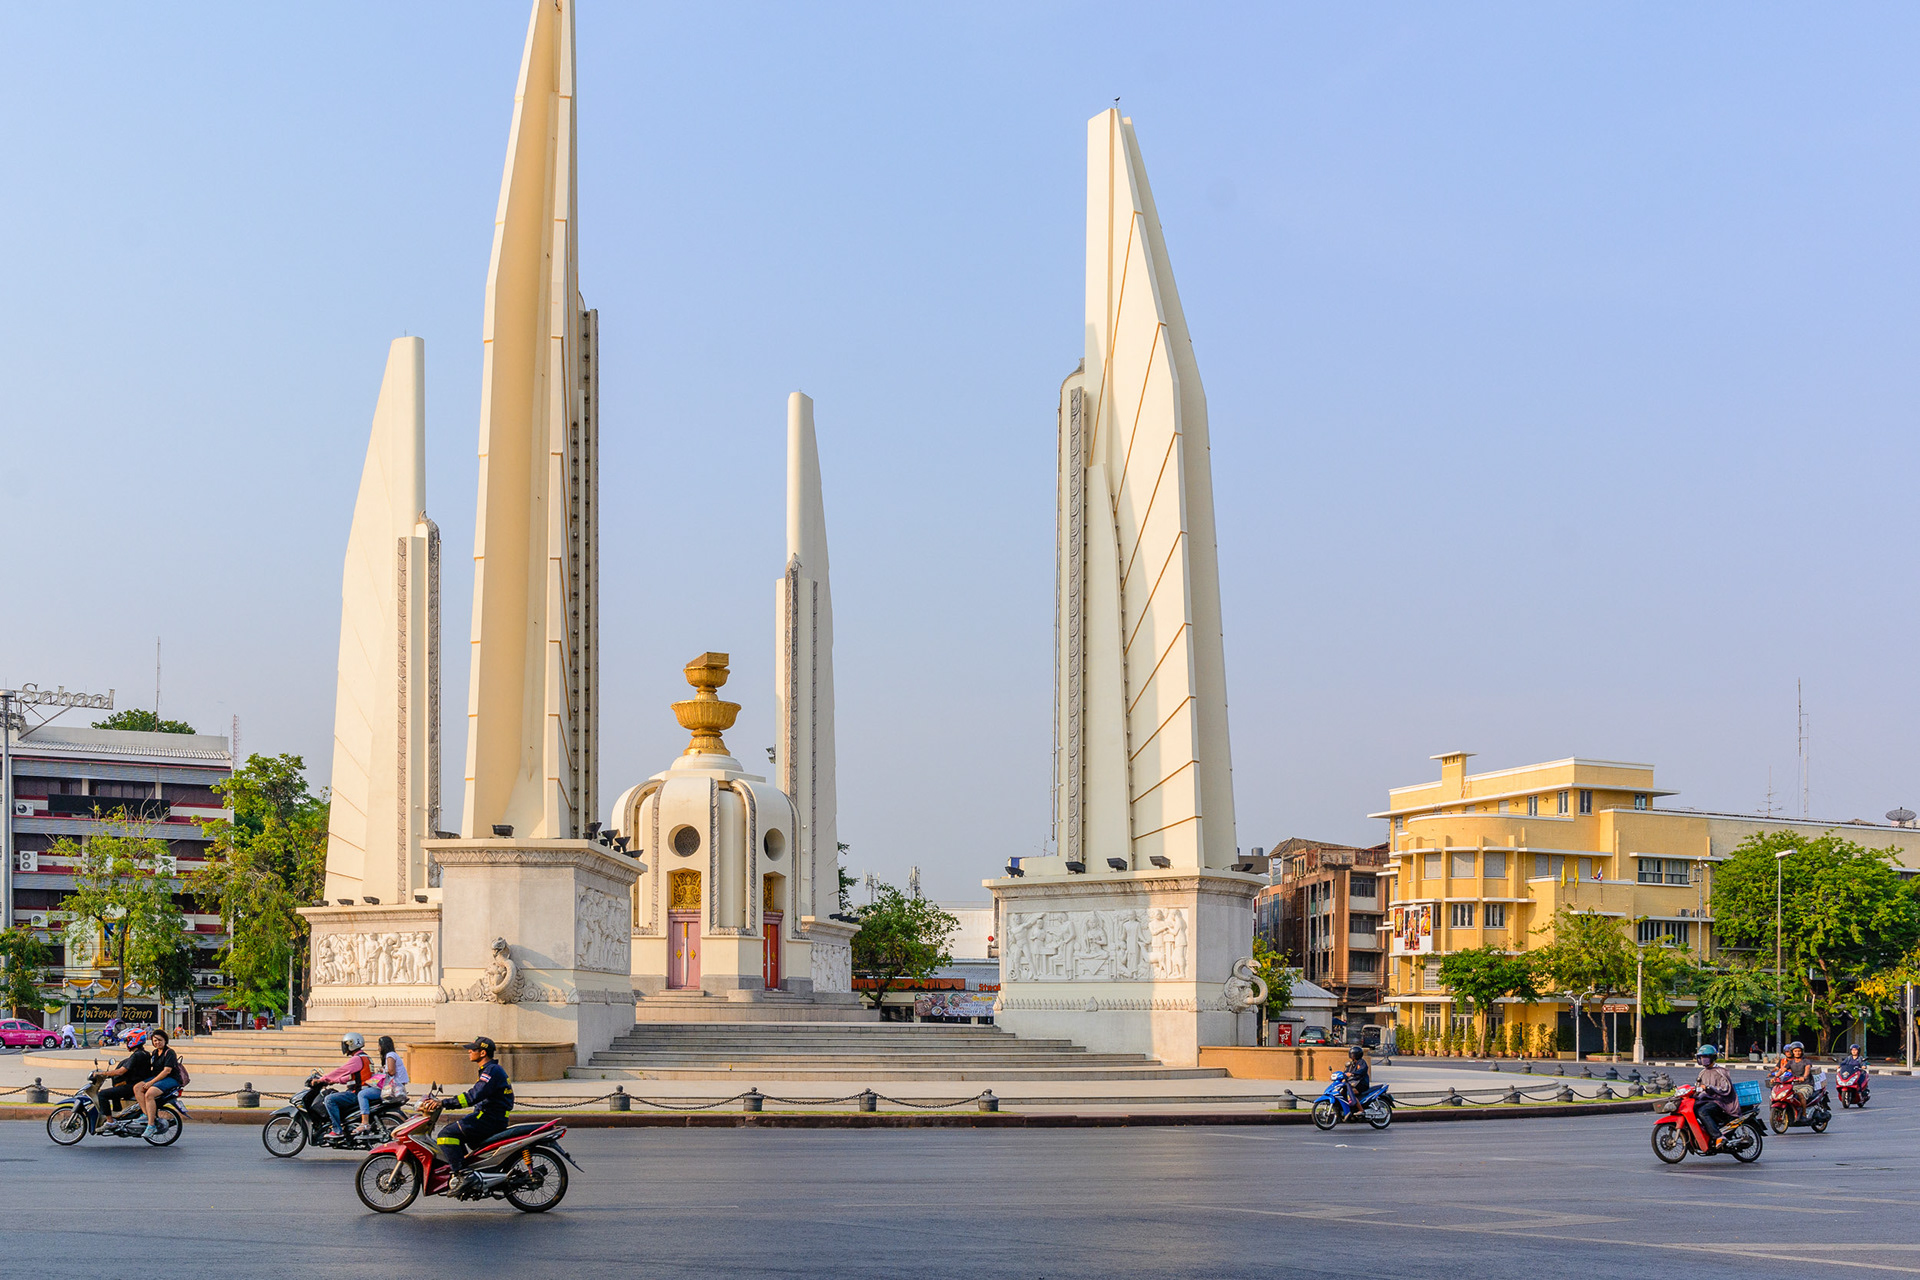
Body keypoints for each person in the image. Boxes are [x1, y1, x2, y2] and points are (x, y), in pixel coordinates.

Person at [427, 1036, 514, 1193]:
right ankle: (467, 1170)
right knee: (456, 1135)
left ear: (482, 1053)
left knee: (446, 1134)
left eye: (472, 1049)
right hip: (489, 1118)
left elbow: (473, 1096)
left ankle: (464, 1175)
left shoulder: (491, 1071)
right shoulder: (490, 1070)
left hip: (488, 1120)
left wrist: (444, 1103)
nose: (469, 1051)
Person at [318, 1033, 373, 1139]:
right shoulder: (365, 1057)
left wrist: (323, 1079)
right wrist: (334, 1081)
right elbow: (352, 1077)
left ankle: (337, 1130)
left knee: (329, 1099)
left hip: (355, 1093)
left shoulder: (356, 1059)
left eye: (345, 1044)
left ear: (351, 1044)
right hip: (361, 1091)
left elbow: (341, 1070)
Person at [134, 1029, 183, 1138]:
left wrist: (151, 1082)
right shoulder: (155, 1053)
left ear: (165, 1040)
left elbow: (167, 1071)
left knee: (149, 1094)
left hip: (170, 1079)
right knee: (137, 1088)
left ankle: (151, 1126)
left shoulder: (169, 1052)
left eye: (159, 1040)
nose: (157, 1042)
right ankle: (146, 1114)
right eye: (155, 1040)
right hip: (157, 1078)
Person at [95, 1029, 151, 1118]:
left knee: (102, 1094)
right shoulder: (145, 1053)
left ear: (134, 1040)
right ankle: (117, 1113)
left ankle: (110, 1121)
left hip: (132, 1086)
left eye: (127, 1040)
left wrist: (102, 1073)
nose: (126, 1043)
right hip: (138, 1083)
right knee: (115, 1090)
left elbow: (121, 1071)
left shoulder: (136, 1055)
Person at [1692, 1044, 1736, 1150]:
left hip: (1721, 1101)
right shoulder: (1702, 1073)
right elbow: (1697, 1087)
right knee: (1693, 1108)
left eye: (1706, 1057)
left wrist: (1709, 1088)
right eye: (1702, 1057)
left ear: (1712, 1057)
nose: (1703, 1060)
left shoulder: (1721, 1071)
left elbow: (1725, 1088)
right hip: (1708, 1100)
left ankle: (1718, 1136)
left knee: (1703, 1111)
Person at [1343, 1044, 1371, 1113]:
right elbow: (1346, 1071)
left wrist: (1353, 1074)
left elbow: (1362, 1070)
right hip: (1353, 1083)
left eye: (1352, 1054)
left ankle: (1361, 1110)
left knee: (1350, 1093)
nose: (1351, 1055)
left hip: (1361, 1083)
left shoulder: (1361, 1062)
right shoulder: (1352, 1064)